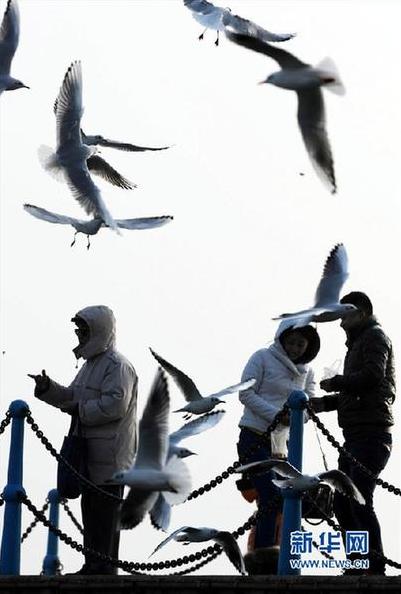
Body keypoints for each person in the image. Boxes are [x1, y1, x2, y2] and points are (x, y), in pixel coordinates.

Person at [28, 305, 138, 575]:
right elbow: (72, 398)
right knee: (91, 511)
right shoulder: (92, 365)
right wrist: (47, 389)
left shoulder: (118, 365)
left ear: (98, 331)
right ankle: (94, 565)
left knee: (105, 513)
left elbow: (116, 405)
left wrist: (81, 410)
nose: (78, 334)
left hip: (111, 455)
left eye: (83, 329)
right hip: (91, 452)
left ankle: (103, 569)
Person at [310, 291, 395, 575]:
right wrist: (324, 403)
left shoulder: (374, 338)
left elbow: (373, 376)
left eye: (345, 313)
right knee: (344, 504)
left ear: (362, 312)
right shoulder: (359, 342)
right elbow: (357, 390)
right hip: (356, 435)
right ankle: (359, 563)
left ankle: (372, 565)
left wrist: (338, 382)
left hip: (371, 434)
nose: (340, 320)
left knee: (357, 499)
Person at [237, 321, 320, 574]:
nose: (295, 348)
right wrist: (277, 415)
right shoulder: (262, 357)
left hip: (282, 446)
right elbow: (245, 394)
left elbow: (309, 405)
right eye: (292, 342)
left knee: (282, 501)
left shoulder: (308, 372)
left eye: (300, 344)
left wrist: (295, 418)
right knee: (270, 496)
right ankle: (263, 558)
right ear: (282, 338)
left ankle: (274, 556)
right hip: (254, 436)